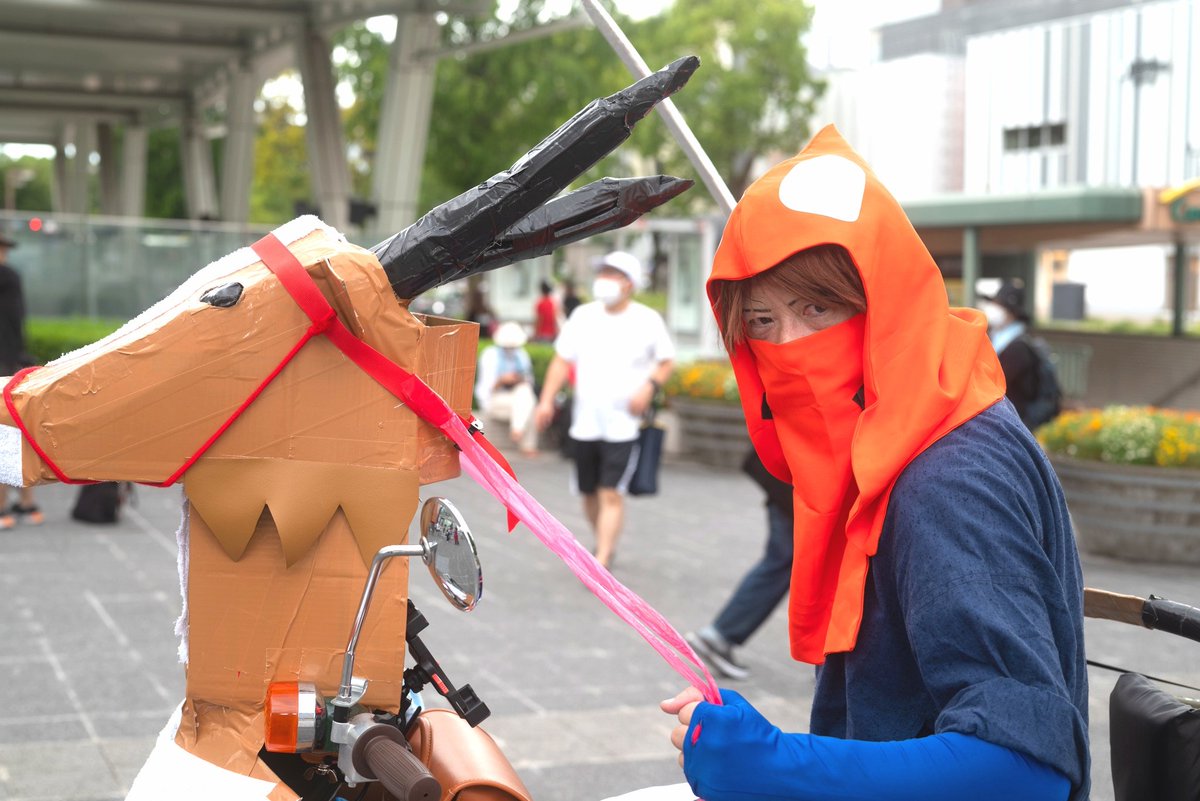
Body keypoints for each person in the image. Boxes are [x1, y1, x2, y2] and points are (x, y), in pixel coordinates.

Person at [654, 128, 1089, 801]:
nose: (791, 348)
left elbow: (1021, 768)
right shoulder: (916, 429)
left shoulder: (947, 475)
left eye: (818, 307)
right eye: (762, 322)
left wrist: (777, 765)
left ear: (887, 300)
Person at [533, 251, 674, 569]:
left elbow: (666, 361)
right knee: (588, 492)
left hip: (624, 423)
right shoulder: (583, 316)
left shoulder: (647, 320)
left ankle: (602, 557)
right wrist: (546, 400)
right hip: (585, 422)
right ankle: (602, 541)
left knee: (611, 492)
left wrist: (648, 387)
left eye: (613, 274)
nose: (604, 280)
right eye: (603, 273)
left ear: (629, 283)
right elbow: (561, 360)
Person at [686, 449, 793, 681]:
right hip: (801, 481)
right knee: (784, 561)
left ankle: (719, 635)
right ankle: (719, 635)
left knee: (783, 561)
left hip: (795, 477)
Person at [0, 232, 42, 529]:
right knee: (15, 433)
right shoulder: (10, 277)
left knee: (6, 436)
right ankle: (26, 504)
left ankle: (5, 507)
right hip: (10, 363)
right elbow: (17, 323)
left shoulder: (8, 277)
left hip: (5, 362)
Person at [978, 279, 1048, 430]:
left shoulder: (1018, 347)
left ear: (1012, 312)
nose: (993, 309)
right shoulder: (999, 338)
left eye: (999, 305)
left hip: (1016, 422)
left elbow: (993, 383)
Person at [475, 321, 539, 457]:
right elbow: (485, 388)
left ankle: (517, 429)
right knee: (528, 403)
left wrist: (518, 379)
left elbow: (529, 381)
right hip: (495, 399)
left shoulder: (521, 355)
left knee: (525, 392)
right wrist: (501, 381)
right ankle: (525, 442)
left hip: (517, 398)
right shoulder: (490, 355)